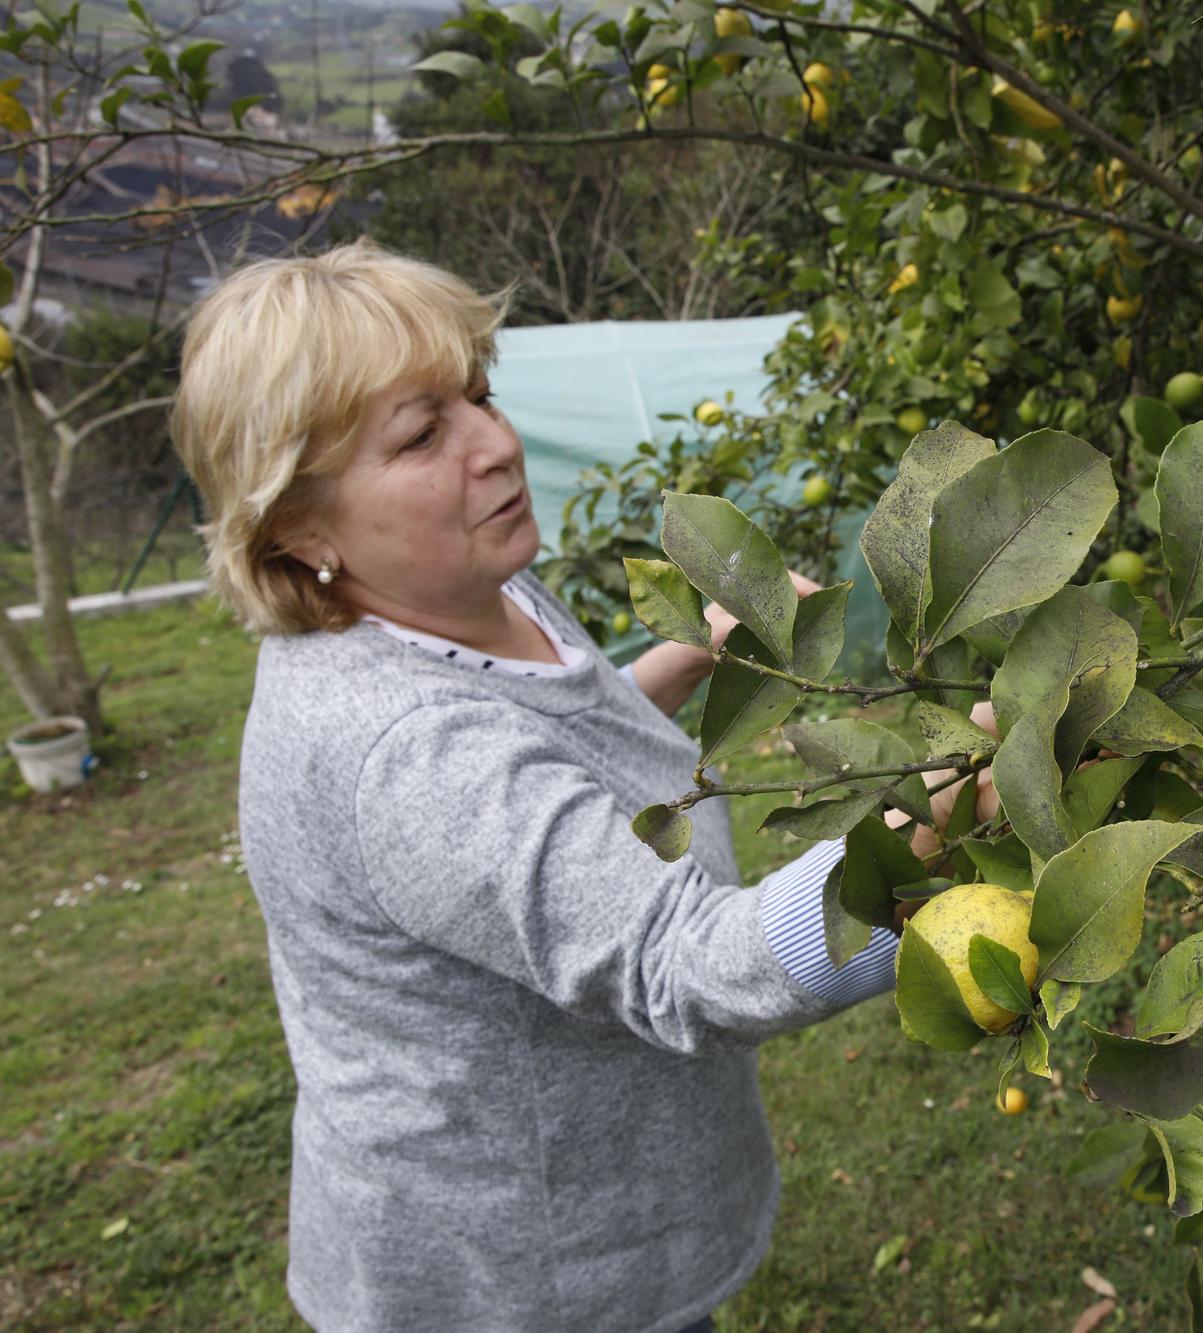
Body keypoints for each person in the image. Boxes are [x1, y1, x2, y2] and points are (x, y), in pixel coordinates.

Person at [168, 236, 993, 1332]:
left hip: (582, 1215)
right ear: (297, 524)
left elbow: (550, 770)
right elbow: (683, 965)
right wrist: (943, 802)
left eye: (477, 395)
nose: (494, 445)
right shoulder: (404, 752)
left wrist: (695, 656)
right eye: (421, 434)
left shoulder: (460, 590)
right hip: (523, 1279)